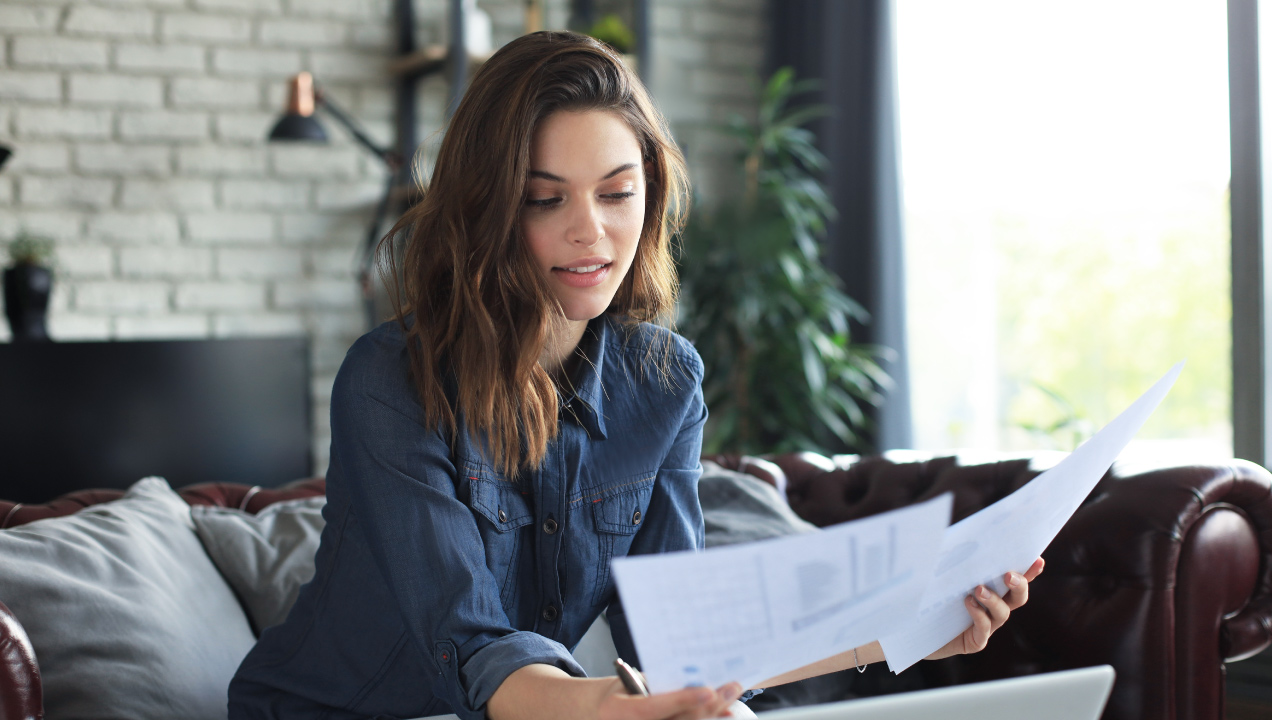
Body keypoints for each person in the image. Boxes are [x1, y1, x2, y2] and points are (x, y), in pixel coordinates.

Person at [228, 31, 1042, 720]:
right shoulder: (390, 379)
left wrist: (909, 629)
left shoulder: (664, 381)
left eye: (617, 193)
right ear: (487, 210)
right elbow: (475, 650)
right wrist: (617, 709)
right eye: (545, 200)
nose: (592, 233)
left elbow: (683, 647)